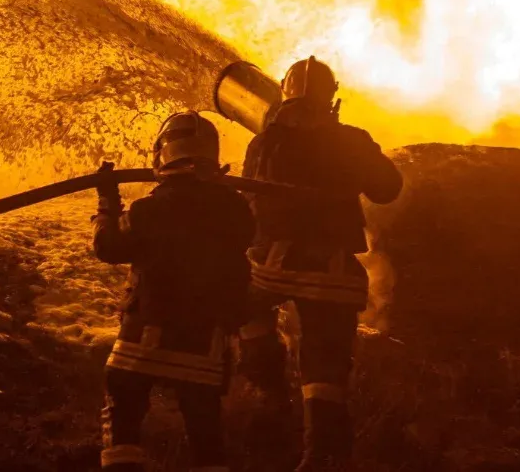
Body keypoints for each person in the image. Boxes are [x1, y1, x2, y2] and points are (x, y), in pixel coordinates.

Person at [238, 56, 403, 471]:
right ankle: (321, 456)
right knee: (324, 369)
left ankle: (269, 392)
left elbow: (251, 207)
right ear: (331, 98)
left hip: (270, 268)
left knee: (242, 305)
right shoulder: (351, 139)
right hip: (331, 274)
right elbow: (387, 189)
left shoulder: (263, 142)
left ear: (284, 94)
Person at [92, 111, 256, 472]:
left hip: (146, 334)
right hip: (207, 341)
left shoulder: (151, 208)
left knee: (122, 399)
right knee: (205, 431)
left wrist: (107, 201)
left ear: (162, 154)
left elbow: (108, 247)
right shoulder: (236, 209)